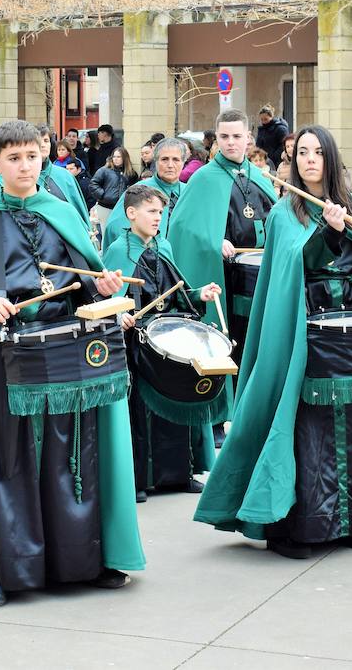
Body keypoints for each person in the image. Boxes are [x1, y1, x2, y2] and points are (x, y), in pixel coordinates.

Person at [0, 120, 143, 608]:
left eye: (32, 156)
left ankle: (81, 562)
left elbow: (88, 278)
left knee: (73, 456)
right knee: (9, 460)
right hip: (6, 353)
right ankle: (4, 570)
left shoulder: (62, 212)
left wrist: (103, 286)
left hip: (68, 353)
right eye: (14, 158)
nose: (25, 166)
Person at [195, 125, 352, 557]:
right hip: (307, 335)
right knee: (305, 429)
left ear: (331, 158)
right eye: (302, 152)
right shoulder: (285, 212)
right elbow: (293, 269)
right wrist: (329, 235)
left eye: (318, 152)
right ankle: (293, 524)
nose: (309, 159)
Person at [103, 183, 225, 500]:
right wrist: (120, 317)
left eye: (161, 212)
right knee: (141, 412)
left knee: (178, 402)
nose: (158, 217)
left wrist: (200, 294)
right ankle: (141, 479)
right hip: (137, 344)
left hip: (168, 336)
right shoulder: (118, 251)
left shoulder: (164, 246)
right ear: (131, 214)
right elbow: (107, 301)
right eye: (151, 211)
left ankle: (178, 475)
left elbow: (179, 296)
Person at [168, 110, 276, 368]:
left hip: (260, 274)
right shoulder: (203, 178)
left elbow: (276, 217)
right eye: (224, 136)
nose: (231, 142)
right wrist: (212, 240)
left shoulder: (261, 176)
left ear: (247, 138)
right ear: (216, 138)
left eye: (237, 136)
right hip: (225, 276)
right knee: (233, 341)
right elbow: (182, 226)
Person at [104, 137, 185, 247]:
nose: (170, 165)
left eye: (176, 159)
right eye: (164, 159)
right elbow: (114, 227)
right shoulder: (139, 190)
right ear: (156, 161)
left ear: (183, 163)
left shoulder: (189, 192)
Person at [33, 123, 90, 218]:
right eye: (39, 141)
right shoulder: (24, 175)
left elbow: (77, 211)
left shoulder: (65, 175)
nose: (43, 145)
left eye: (46, 140)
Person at [88, 145, 137, 234]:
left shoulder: (130, 173)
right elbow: (93, 184)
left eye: (118, 157)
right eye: (114, 156)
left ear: (124, 158)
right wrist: (103, 195)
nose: (115, 159)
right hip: (105, 207)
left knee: (120, 233)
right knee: (107, 233)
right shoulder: (104, 170)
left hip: (122, 208)